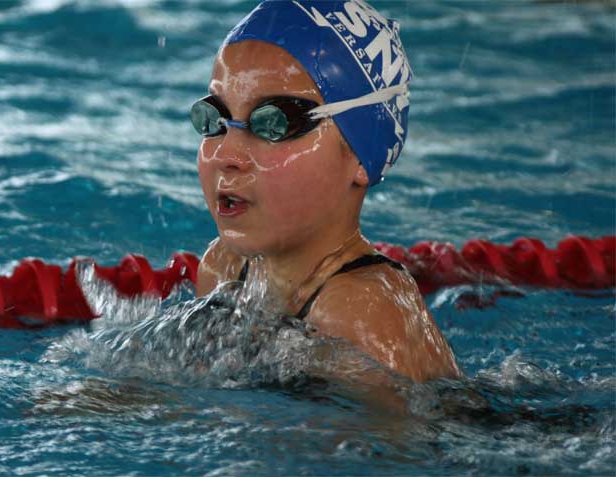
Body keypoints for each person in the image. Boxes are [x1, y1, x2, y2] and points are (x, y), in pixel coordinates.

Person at [190, 0, 461, 383]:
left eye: (274, 123)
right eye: (216, 119)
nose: (225, 154)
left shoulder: (362, 311)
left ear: (361, 154)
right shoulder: (224, 268)